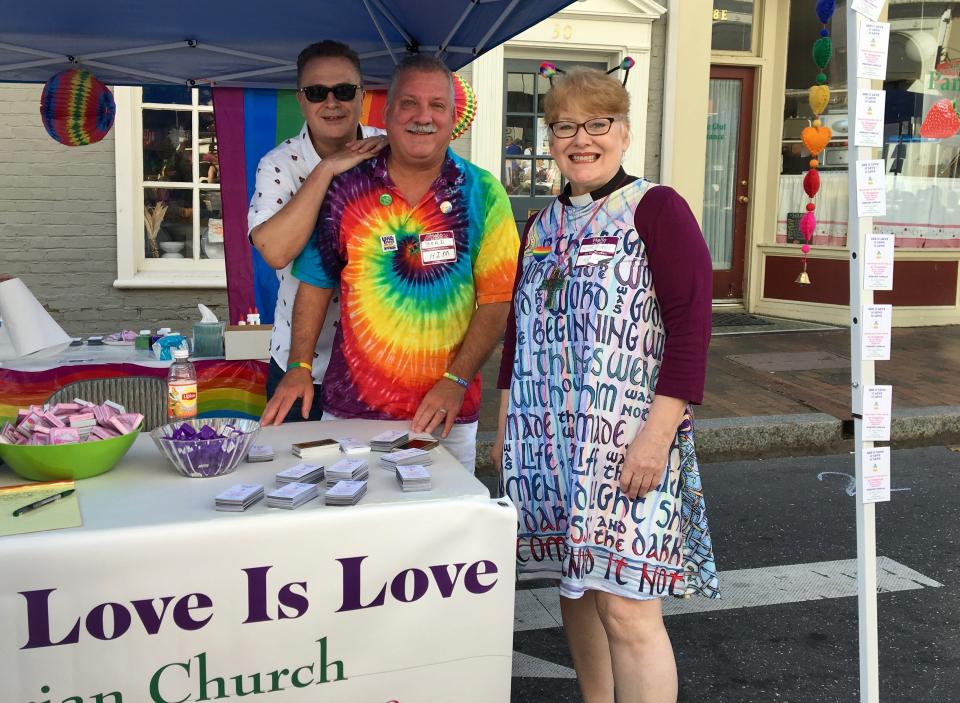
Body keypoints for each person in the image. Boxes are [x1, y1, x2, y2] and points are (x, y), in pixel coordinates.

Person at [493, 67, 720, 703]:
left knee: (626, 607)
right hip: (548, 440)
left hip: (626, 442)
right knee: (574, 586)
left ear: (623, 132)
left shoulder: (656, 208)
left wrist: (658, 432)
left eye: (598, 124)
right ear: (550, 137)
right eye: (565, 126)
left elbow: (690, 326)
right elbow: (520, 327)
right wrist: (509, 426)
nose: (581, 139)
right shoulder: (541, 223)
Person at [261, 55, 519, 473]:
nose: (423, 117)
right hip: (352, 413)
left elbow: (496, 300)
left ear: (453, 117)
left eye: (437, 106)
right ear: (387, 112)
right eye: (409, 104)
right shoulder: (345, 187)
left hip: (445, 415)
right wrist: (298, 366)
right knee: (352, 533)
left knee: (443, 535)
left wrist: (456, 382)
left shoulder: (483, 192)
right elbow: (315, 280)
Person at [248, 40, 386, 422]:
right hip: (300, 365)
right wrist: (327, 169)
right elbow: (275, 250)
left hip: (380, 361)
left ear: (361, 95)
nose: (331, 102)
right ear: (301, 100)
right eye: (316, 92)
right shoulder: (278, 163)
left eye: (343, 91)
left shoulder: (391, 149)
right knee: (293, 478)